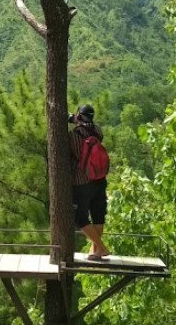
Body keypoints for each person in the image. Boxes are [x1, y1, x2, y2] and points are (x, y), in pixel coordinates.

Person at [69, 104, 110, 260]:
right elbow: (88, 128)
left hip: (83, 182)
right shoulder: (98, 131)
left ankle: (102, 248)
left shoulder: (74, 135)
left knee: (80, 218)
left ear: (79, 116)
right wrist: (76, 119)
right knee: (98, 215)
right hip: (100, 179)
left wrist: (74, 120)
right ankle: (95, 252)